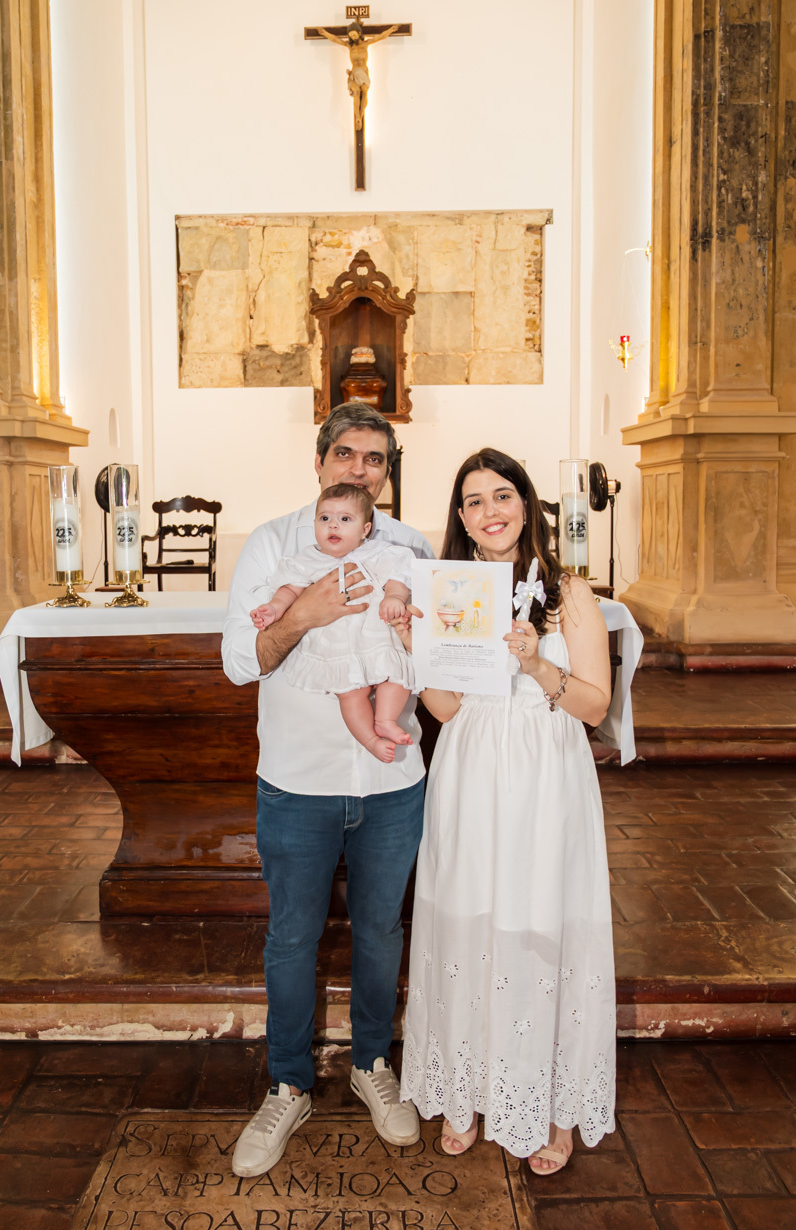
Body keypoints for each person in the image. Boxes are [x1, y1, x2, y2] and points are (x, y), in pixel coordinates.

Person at [222, 402, 432, 1178]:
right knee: (291, 939)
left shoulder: (411, 547)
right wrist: (302, 614)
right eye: (345, 454)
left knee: (380, 934)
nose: (357, 467)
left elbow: (431, 653)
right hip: (298, 780)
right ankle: (286, 1082)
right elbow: (240, 661)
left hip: (389, 780)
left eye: (374, 459)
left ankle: (373, 1064)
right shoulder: (275, 543)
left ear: (386, 471)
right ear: (319, 462)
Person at [397, 448, 616, 1175]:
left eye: (501, 495)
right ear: (459, 518)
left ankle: (551, 1108)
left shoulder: (569, 595)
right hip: (471, 767)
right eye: (472, 502)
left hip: (546, 771)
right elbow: (447, 710)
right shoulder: (454, 589)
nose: (488, 512)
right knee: (469, 918)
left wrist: (534, 663)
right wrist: (417, 648)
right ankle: (464, 1093)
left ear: (525, 503)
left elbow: (593, 705)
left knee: (540, 921)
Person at [251, 482, 416, 763]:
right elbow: (289, 590)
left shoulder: (378, 553)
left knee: (398, 678)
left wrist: (394, 597)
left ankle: (386, 720)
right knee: (350, 694)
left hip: (375, 635)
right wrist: (273, 608)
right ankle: (370, 739)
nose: (333, 526)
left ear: (365, 529)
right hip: (336, 644)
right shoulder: (306, 561)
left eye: (345, 519)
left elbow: (397, 578)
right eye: (325, 518)